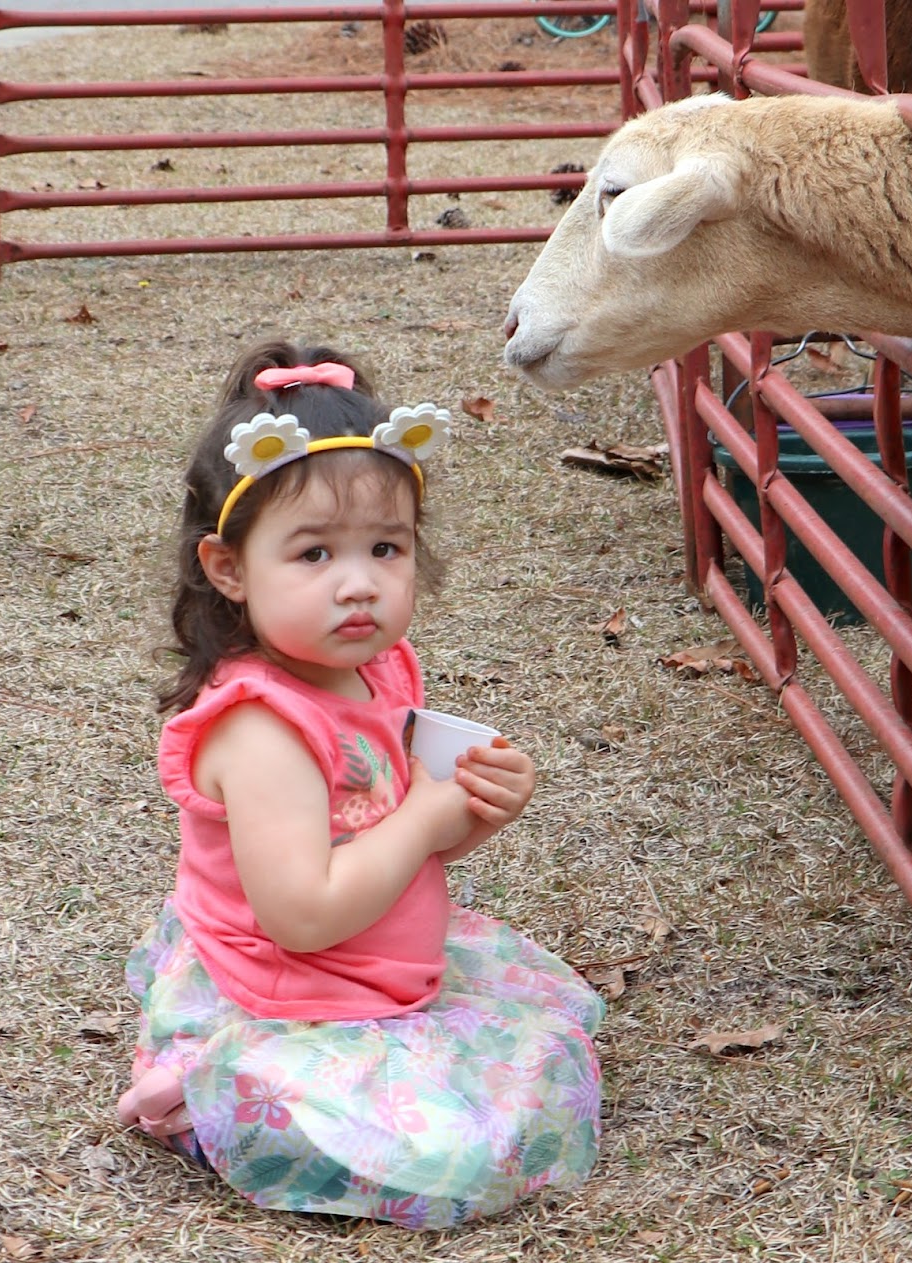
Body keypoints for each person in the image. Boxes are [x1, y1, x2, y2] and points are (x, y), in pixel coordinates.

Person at [118, 337, 605, 1228]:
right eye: (313, 554)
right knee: (455, 1157)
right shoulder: (263, 730)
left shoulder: (378, 669)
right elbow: (304, 914)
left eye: (386, 547)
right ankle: (206, 1096)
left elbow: (384, 822)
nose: (358, 585)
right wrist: (425, 819)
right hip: (299, 994)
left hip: (372, 962)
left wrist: (476, 808)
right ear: (229, 568)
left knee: (532, 1074)